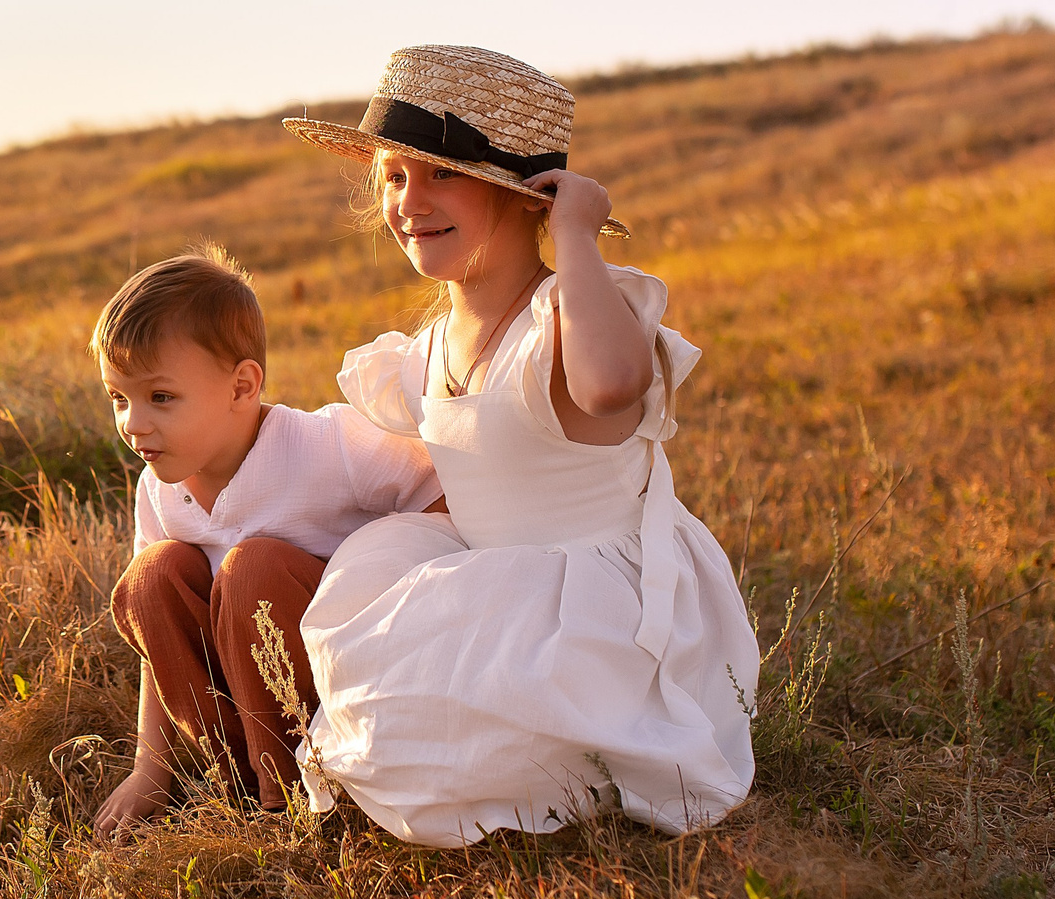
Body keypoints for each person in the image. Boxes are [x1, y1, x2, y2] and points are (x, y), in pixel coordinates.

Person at [281, 45, 759, 846]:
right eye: (394, 177)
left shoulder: (563, 321)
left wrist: (576, 236)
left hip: (600, 605)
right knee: (395, 685)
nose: (410, 201)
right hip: (494, 576)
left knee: (513, 739)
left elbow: (612, 385)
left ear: (522, 195)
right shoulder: (425, 349)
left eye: (442, 175)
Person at [90, 248, 443, 839]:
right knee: (152, 576)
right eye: (119, 399)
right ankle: (229, 779)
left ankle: (295, 794)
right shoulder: (158, 491)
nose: (133, 423)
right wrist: (148, 764)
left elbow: (441, 495)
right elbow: (160, 650)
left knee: (252, 567)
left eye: (161, 397)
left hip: (336, 676)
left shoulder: (326, 445)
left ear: (242, 386)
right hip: (239, 691)